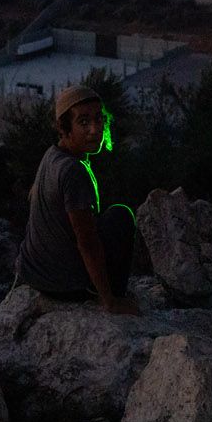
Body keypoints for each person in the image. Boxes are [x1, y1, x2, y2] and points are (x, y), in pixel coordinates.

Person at [15, 85, 141, 315]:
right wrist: (109, 300)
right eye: (83, 122)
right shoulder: (73, 172)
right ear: (64, 129)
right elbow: (87, 242)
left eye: (98, 119)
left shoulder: (52, 154)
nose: (95, 129)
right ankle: (113, 294)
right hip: (62, 285)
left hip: (34, 273)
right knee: (121, 216)